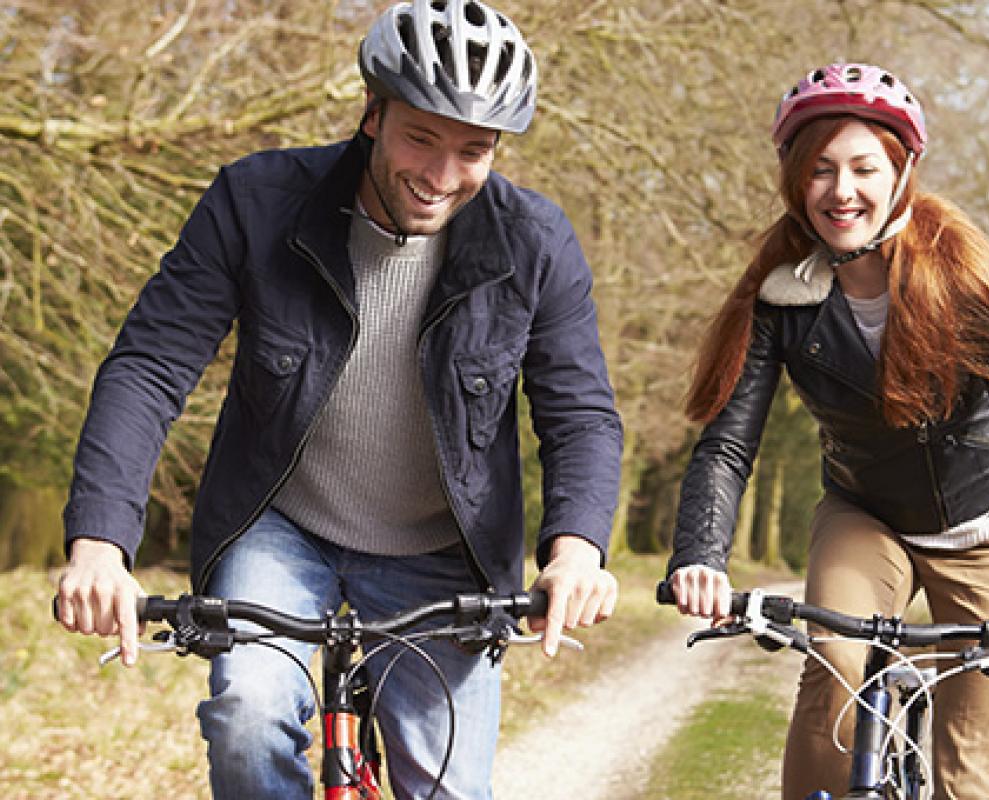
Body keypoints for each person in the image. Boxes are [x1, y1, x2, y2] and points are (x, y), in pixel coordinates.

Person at [54, 1, 623, 797]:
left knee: (448, 785)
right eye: (420, 136)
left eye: (472, 150)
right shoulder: (256, 202)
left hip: (440, 553)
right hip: (282, 530)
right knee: (249, 720)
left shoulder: (535, 243)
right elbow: (151, 364)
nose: (439, 174)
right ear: (372, 115)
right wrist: (100, 545)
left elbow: (580, 415)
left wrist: (575, 552)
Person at [664, 63, 989, 799]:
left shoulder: (966, 280)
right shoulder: (782, 292)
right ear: (796, 181)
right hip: (865, 516)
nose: (842, 191)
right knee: (836, 663)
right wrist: (701, 553)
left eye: (864, 168)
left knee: (969, 777)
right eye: (821, 170)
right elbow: (728, 442)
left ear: (901, 172)